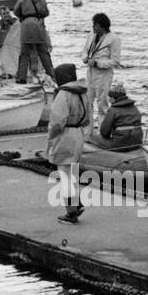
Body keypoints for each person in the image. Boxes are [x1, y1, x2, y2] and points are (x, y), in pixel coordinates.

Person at [47, 63, 90, 223]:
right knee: (72, 173)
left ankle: (71, 211)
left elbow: (57, 122)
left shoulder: (63, 94)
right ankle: (76, 203)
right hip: (79, 133)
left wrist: (51, 137)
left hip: (65, 134)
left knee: (64, 174)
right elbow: (87, 119)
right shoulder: (83, 93)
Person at [81, 13, 121, 120]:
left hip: (103, 75)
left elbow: (115, 61)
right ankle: (87, 134)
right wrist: (85, 58)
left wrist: (98, 64)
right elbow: (85, 50)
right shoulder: (91, 35)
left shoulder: (114, 39)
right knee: (87, 103)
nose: (93, 27)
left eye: (95, 25)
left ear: (103, 27)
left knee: (102, 105)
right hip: (90, 72)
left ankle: (102, 133)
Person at [13, 0, 55, 83]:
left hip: (26, 26)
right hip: (38, 26)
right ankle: (52, 75)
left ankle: (22, 78)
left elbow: (15, 11)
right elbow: (46, 12)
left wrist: (24, 15)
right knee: (43, 53)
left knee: (24, 54)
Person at [86, 80, 143, 151]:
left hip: (120, 145)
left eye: (110, 97)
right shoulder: (134, 108)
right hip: (136, 143)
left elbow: (104, 133)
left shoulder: (113, 110)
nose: (109, 99)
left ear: (114, 98)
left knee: (91, 137)